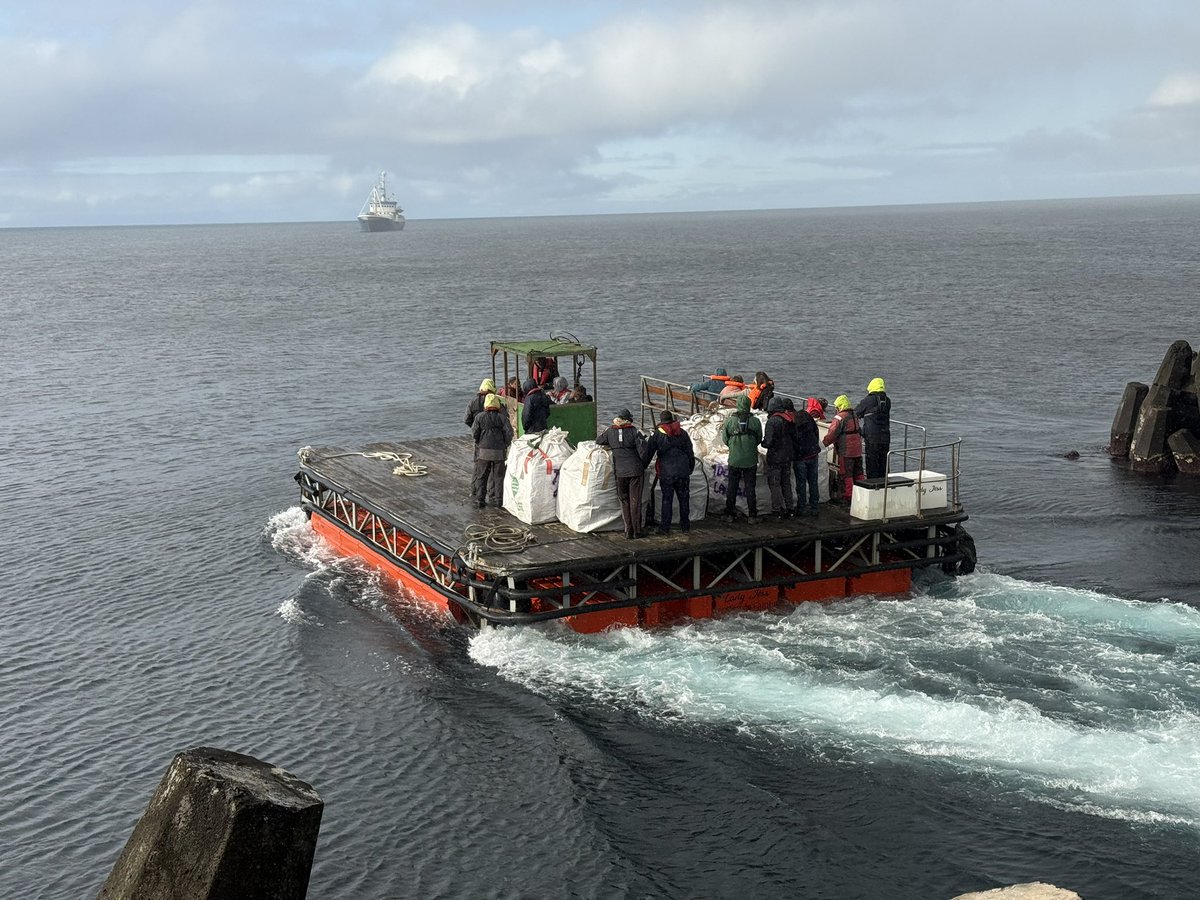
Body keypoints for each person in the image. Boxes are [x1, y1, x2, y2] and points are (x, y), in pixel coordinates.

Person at [596, 408, 649, 538]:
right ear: (628, 420)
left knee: (624, 501)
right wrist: (643, 465)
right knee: (635, 501)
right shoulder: (634, 431)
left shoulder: (610, 431)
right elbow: (643, 450)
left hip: (620, 472)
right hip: (635, 471)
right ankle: (637, 531)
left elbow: (599, 440)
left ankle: (628, 531)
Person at [644, 410, 696, 534]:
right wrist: (690, 468)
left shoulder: (657, 435)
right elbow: (690, 452)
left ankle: (665, 527)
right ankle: (685, 526)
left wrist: (642, 467)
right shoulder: (682, 433)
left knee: (667, 499)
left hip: (667, 473)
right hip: (683, 472)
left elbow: (648, 454)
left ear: (661, 422)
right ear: (672, 420)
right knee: (684, 499)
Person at [721, 394, 762, 522]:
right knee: (750, 487)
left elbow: (725, 439)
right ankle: (752, 515)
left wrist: (733, 446)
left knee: (732, 487)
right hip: (750, 460)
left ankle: (729, 514)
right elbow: (759, 439)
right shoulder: (755, 421)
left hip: (734, 459)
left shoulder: (729, 421)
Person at [471, 393, 513, 508]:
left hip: (483, 451)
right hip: (499, 451)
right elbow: (509, 433)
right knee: (499, 477)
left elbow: (474, 433)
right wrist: (505, 444)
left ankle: (480, 500)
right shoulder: (502, 418)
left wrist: (479, 442)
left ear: (486, 405)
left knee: (482, 476)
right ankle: (499, 501)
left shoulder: (479, 417)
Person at [822, 394, 864, 503]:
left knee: (846, 474)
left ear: (839, 407)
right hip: (858, 450)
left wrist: (822, 445)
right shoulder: (854, 415)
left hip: (846, 451)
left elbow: (832, 434)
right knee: (858, 473)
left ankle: (848, 497)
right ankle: (862, 494)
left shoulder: (839, 418)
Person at [762, 396, 796, 517]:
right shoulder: (789, 420)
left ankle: (777, 510)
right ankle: (790, 507)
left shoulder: (772, 421)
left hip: (776, 457)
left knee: (775, 484)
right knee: (786, 483)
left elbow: (769, 441)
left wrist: (763, 443)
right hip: (787, 456)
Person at [855, 376, 892, 479]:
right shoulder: (887, 401)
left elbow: (856, 413)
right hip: (885, 436)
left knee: (872, 463)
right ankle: (883, 485)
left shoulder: (868, 400)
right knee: (883, 463)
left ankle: (873, 486)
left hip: (872, 437)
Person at [794, 398, 823, 517]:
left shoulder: (795, 423)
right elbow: (816, 434)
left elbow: (794, 440)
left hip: (801, 457)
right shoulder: (809, 420)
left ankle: (801, 506)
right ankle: (815, 506)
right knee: (813, 482)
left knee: (801, 483)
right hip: (813, 453)